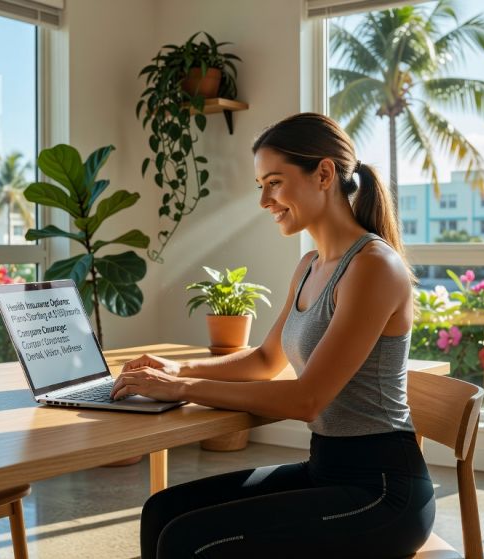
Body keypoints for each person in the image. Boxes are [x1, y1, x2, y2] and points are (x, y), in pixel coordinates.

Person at [110, 112, 435, 558]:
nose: (264, 200)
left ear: (324, 174)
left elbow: (307, 399)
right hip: (326, 469)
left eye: (275, 183)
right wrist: (177, 369)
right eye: (261, 185)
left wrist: (182, 388)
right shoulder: (310, 266)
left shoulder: (373, 267)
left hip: (382, 491)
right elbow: (265, 359)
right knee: (163, 510)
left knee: (191, 539)